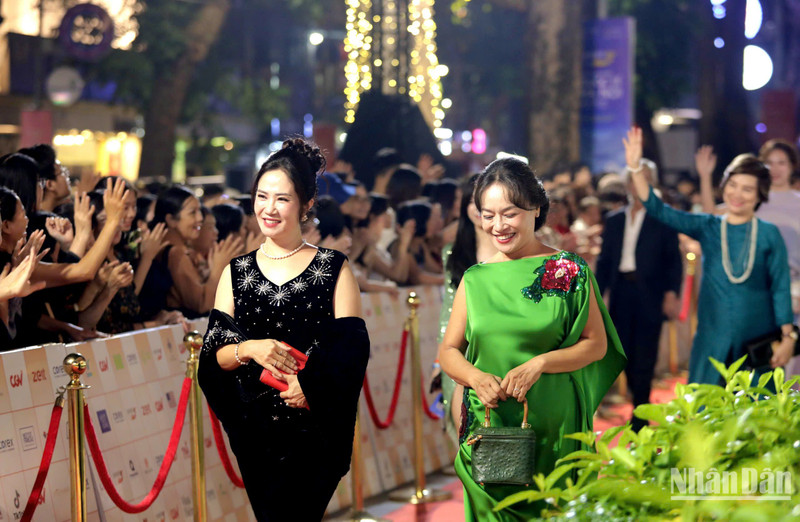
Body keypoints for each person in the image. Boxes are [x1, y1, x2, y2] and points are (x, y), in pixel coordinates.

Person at [439, 157, 626, 520]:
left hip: (554, 423)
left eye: (509, 213)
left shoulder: (568, 269)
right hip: (489, 425)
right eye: (487, 214)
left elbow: (596, 344)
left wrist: (540, 363)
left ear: (535, 208)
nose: (498, 225)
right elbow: (448, 351)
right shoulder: (475, 279)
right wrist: (476, 378)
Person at [197, 138, 369, 521]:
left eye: (282, 199)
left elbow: (351, 352)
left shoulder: (333, 268)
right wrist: (252, 349)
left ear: (307, 205)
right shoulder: (236, 273)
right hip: (256, 433)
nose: (268, 208)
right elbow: (213, 356)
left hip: (316, 431)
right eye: (262, 196)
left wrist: (309, 387)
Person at [625, 127, 794, 384]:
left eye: (747, 189)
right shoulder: (708, 226)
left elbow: (780, 288)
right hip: (712, 337)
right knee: (706, 410)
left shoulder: (769, 234)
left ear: (760, 195)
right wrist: (636, 168)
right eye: (733, 186)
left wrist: (788, 337)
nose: (737, 195)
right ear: (724, 186)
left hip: (759, 337)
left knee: (756, 413)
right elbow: (659, 210)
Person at [595, 160, 682, 431]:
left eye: (643, 179)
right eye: (633, 179)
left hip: (650, 292)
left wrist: (671, 293)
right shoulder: (615, 219)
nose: (637, 185)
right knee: (624, 351)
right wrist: (597, 297)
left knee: (646, 351)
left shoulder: (662, 219)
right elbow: (605, 262)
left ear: (651, 183)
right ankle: (637, 398)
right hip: (621, 291)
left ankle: (640, 411)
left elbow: (673, 260)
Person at [435, 174, 496, 444]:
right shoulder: (452, 253)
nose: (476, 207)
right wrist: (441, 360)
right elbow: (448, 308)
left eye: (481, 200)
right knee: (464, 434)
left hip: (497, 349)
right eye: (469, 201)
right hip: (459, 351)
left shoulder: (513, 251)